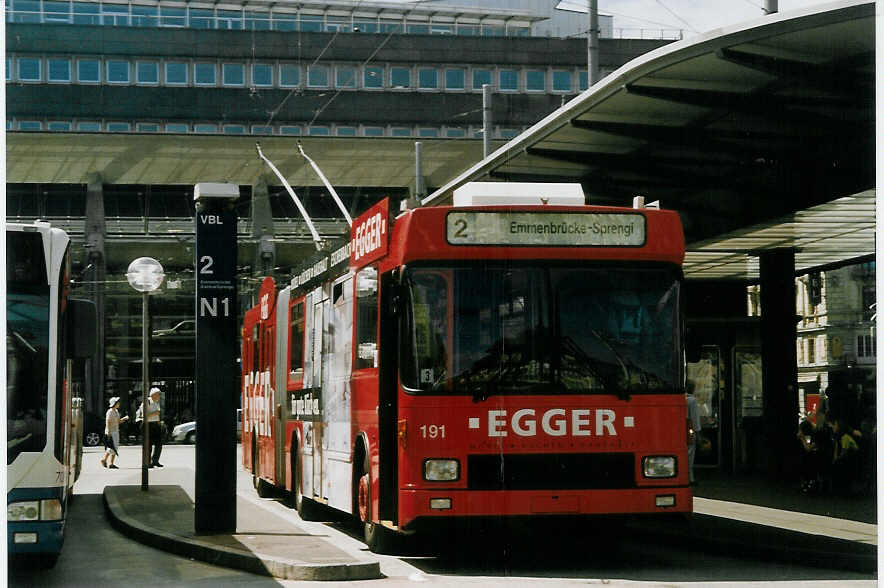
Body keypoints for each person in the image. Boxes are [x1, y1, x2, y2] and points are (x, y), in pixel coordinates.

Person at [101, 397, 128, 469]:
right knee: (112, 447)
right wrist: (108, 431)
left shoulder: (116, 411)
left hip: (115, 431)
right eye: (117, 402)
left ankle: (110, 462)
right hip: (111, 431)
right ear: (114, 404)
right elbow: (108, 421)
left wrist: (124, 419)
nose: (119, 404)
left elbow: (118, 421)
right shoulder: (110, 411)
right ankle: (106, 461)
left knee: (114, 447)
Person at [141, 387, 164, 468]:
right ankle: (147, 462)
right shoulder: (147, 402)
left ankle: (155, 460)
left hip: (155, 425)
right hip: (148, 425)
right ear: (153, 394)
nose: (159, 396)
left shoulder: (156, 402)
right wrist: (155, 413)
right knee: (148, 445)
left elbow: (157, 414)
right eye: (158, 394)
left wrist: (159, 422)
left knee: (159, 444)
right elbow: (144, 415)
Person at [686, 380, 701, 485]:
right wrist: (698, 433)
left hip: (679, 429)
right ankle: (690, 478)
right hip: (689, 429)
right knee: (690, 454)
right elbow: (695, 419)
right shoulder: (692, 401)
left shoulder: (681, 399)